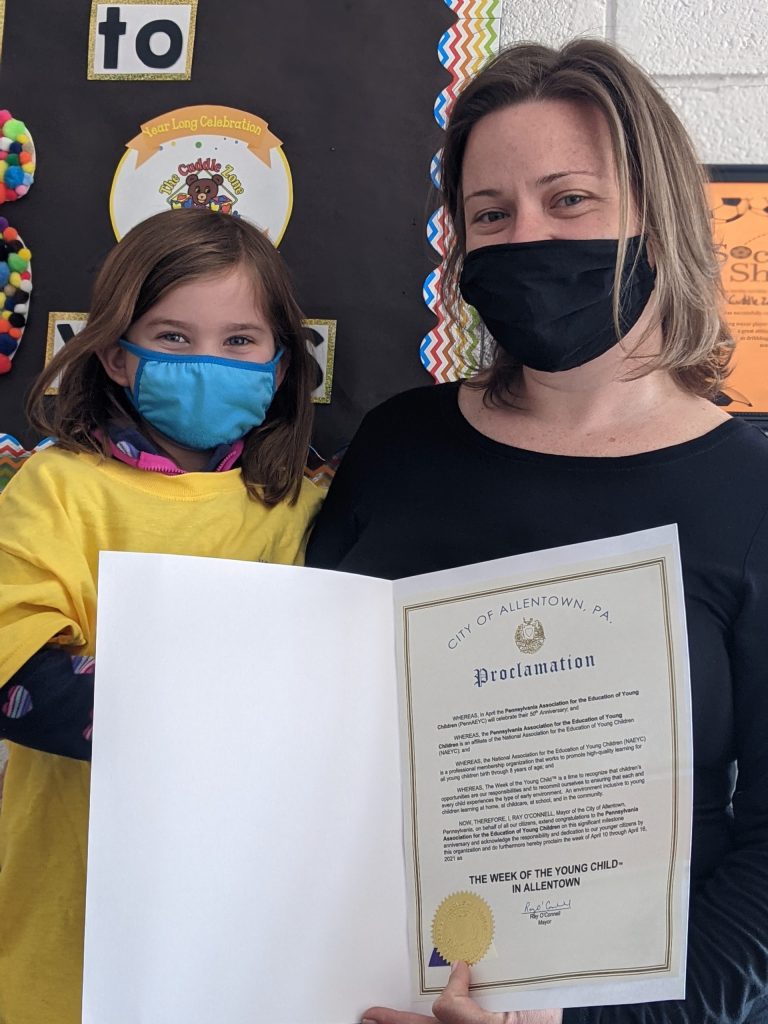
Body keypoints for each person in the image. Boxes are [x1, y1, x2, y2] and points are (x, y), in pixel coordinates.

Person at [307, 38, 768, 1024]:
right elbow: (307, 723)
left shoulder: (752, 494)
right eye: (490, 214)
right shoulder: (398, 443)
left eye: (568, 200)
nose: (525, 239)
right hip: (348, 986)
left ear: (659, 214)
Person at [0, 208, 322, 1024]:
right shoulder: (58, 490)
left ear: (283, 365)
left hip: (250, 923)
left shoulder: (309, 506)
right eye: (172, 339)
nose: (207, 362)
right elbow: (16, 675)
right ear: (113, 353)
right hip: (67, 923)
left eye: (239, 341)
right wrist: (217, 720)